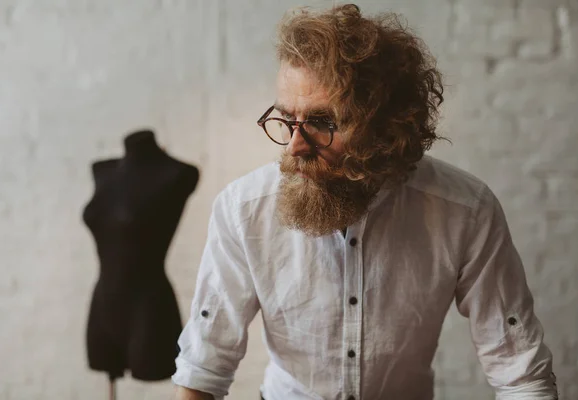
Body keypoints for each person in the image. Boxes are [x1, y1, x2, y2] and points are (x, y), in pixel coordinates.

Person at [172, 4, 557, 400]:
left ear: (388, 128)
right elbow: (205, 365)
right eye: (287, 119)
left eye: (322, 123)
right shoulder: (243, 209)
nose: (294, 146)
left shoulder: (465, 211)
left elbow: (519, 374)